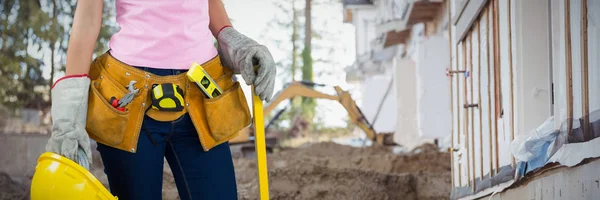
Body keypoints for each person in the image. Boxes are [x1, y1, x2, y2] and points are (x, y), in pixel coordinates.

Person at [45, 0, 276, 199]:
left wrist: (234, 41)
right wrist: (69, 113)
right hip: (127, 98)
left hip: (201, 95)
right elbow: (86, 20)